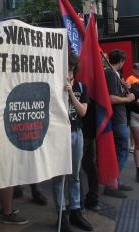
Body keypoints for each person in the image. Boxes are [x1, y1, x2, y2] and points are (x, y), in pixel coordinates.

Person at [52, 54, 93, 232]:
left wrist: (70, 93)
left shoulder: (81, 86)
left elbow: (83, 111)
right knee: (58, 176)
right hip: (59, 135)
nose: (67, 72)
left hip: (76, 133)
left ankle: (76, 210)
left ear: (74, 69)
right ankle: (61, 214)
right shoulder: (54, 84)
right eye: (64, 68)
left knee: (75, 175)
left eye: (70, 68)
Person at [104, 49, 135, 198]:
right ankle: (112, 182)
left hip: (120, 118)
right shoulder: (110, 74)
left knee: (120, 150)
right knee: (122, 149)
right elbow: (111, 98)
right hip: (117, 119)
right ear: (122, 61)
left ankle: (115, 180)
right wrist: (127, 99)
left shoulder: (115, 75)